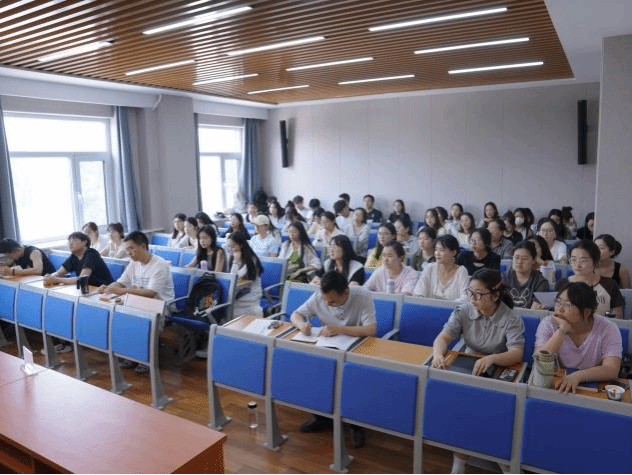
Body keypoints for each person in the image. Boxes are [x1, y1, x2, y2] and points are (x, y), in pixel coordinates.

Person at [431, 268, 524, 475]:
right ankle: (460, 459)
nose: (473, 299)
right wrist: (437, 354)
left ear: (495, 295)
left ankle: (501, 458)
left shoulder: (510, 318)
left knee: (495, 412)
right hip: (468, 365)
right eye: (470, 293)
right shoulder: (464, 310)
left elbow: (516, 352)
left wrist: (492, 358)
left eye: (479, 294)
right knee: (461, 407)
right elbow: (443, 338)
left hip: (499, 367)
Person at [292, 270, 377, 447]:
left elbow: (371, 330)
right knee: (314, 372)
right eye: (325, 300)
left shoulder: (362, 295)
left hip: (356, 348)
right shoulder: (320, 296)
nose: (327, 304)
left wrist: (339, 329)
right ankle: (322, 417)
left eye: (332, 301)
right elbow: (296, 314)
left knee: (352, 379)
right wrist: (302, 325)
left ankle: (356, 425)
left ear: (345, 293)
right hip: (329, 347)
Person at [535, 281, 622, 394]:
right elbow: (539, 360)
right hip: (558, 385)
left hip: (593, 386)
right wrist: (561, 331)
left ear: (586, 312)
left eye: (567, 305)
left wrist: (578, 376)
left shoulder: (608, 329)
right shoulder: (548, 323)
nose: (559, 309)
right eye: (558, 302)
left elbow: (612, 369)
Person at [556, 240, 623, 318]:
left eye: (583, 261)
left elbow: (618, 315)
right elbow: (558, 313)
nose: (577, 265)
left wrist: (605, 317)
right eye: (573, 260)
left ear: (595, 261)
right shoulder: (563, 284)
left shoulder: (609, 284)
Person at [44, 232, 113, 288]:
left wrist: (57, 280)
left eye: (74, 241)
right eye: (69, 242)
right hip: (87, 289)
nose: (70, 244)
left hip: (102, 289)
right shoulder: (74, 256)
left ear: (84, 242)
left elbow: (82, 279)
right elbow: (59, 273)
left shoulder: (92, 254)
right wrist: (49, 277)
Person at [413, 235, 469, 301]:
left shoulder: (461, 271)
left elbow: (465, 298)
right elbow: (418, 291)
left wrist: (447, 305)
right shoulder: (430, 268)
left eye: (442, 250)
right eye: (436, 250)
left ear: (453, 252)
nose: (437, 253)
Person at [225, 231, 265, 318]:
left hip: (250, 296)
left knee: (230, 310)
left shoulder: (252, 260)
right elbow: (230, 278)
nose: (231, 249)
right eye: (229, 246)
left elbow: (234, 277)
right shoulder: (231, 257)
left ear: (241, 245)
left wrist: (235, 262)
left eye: (233, 246)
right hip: (237, 292)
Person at [503, 241, 549, 309]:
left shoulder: (541, 283)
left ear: (534, 260)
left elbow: (534, 309)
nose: (519, 262)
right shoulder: (503, 278)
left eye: (524, 259)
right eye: (516, 257)